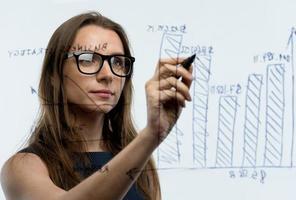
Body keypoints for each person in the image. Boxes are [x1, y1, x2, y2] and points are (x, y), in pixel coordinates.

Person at [0, 11, 193, 200]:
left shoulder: (140, 162)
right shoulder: (23, 167)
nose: (108, 74)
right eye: (87, 59)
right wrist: (150, 136)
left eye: (118, 62)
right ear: (54, 75)